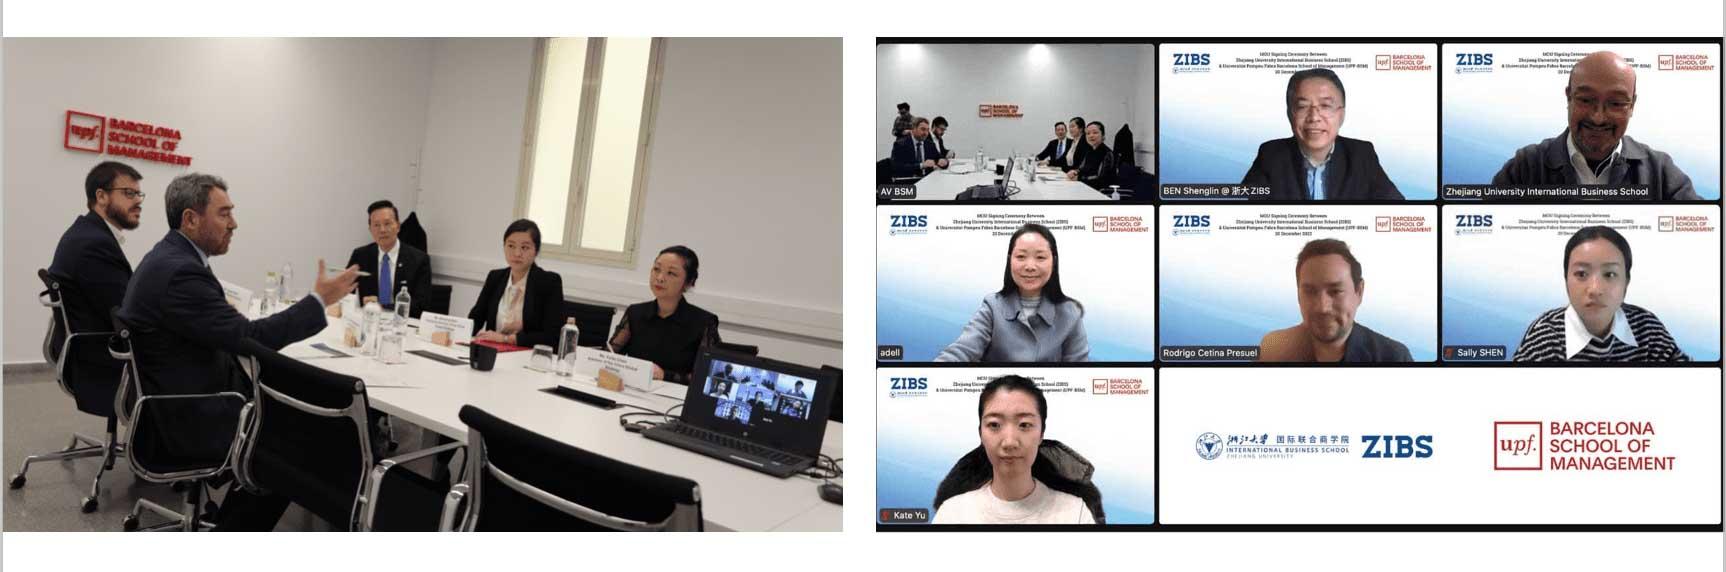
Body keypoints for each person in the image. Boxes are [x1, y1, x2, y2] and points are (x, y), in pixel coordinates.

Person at [118, 173, 361, 531]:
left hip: (175, 395)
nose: (234, 223)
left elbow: (222, 330)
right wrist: (319, 301)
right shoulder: (181, 272)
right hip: (188, 412)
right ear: (190, 218)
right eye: (224, 213)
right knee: (298, 450)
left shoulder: (169, 255)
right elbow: (251, 337)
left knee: (297, 418)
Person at [1492, 51, 1698, 200]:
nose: (1598, 117)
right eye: (1586, 100)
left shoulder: (1660, 172)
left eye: (1616, 103)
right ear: (1568, 98)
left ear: (1632, 106)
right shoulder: (1526, 167)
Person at [931, 375, 1102, 525]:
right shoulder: (953, 514)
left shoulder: (1074, 513)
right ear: (980, 433)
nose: (1010, 442)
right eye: (994, 425)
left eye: (1025, 425)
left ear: (1042, 433)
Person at [1512, 226, 1687, 361]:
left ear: (1626, 282)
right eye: (1581, 274)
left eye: (1610, 274)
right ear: (1566, 280)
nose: (1595, 289)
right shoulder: (1545, 336)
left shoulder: (1647, 328)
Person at [1241, 68, 1402, 200]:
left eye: (1325, 106)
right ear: (1291, 114)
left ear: (1341, 115)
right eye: (1303, 106)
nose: (1314, 117)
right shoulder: (1271, 155)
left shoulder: (1361, 155)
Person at [937, 224, 1088, 362]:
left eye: (1040, 257)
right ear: (1010, 261)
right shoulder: (992, 306)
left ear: (1053, 262)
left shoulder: (1071, 314)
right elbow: (963, 350)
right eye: (1021, 257)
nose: (1030, 266)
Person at [49, 161, 144, 379]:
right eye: (129, 193)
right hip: (103, 359)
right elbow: (127, 314)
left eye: (139, 194)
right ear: (101, 196)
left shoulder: (86, 232)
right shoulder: (93, 244)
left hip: (89, 351)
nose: (138, 201)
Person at [1258, 238, 1411, 362]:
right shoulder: (1273, 348)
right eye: (1310, 292)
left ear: (1359, 292)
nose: (1322, 307)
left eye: (1335, 291)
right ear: (1298, 295)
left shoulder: (1394, 357)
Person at [610, 245, 722, 384]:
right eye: (656, 269)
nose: (660, 278)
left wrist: (665, 375)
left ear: (688, 282)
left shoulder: (704, 322)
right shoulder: (635, 313)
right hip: (633, 391)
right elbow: (611, 356)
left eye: (671, 273)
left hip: (674, 400)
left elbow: (708, 376)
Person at [467, 219, 564, 347]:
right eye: (511, 246)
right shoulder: (495, 277)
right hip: (492, 352)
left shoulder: (549, 282)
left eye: (525, 247)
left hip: (527, 356)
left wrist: (506, 339)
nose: (517, 253)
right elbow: (475, 319)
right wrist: (455, 331)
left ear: (536, 251)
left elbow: (552, 335)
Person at [345, 199, 433, 317]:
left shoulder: (419, 260)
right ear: (370, 229)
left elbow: (421, 305)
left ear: (398, 226)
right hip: (369, 320)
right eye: (376, 225)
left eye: (387, 223)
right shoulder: (361, 255)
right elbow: (345, 291)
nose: (382, 230)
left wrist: (382, 306)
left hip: (402, 323)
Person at [1066, 122, 1116, 191]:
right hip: (1086, 187)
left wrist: (1079, 178)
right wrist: (1075, 172)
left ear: (1103, 136)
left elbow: (1100, 178)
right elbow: (1082, 168)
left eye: (1095, 133)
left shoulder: (1107, 154)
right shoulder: (1089, 151)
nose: (1091, 136)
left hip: (1100, 192)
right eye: (1088, 133)